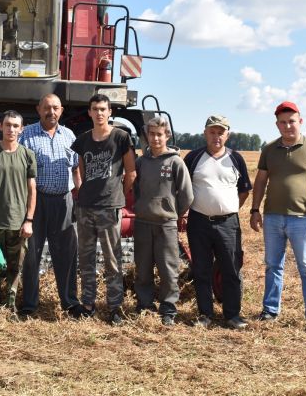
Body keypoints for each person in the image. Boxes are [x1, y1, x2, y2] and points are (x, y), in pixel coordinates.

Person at [250, 101, 306, 336]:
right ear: (277, 125)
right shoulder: (269, 149)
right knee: (273, 266)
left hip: (302, 220)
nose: (288, 126)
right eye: (283, 122)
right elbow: (260, 181)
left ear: (301, 121)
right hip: (273, 218)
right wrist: (254, 210)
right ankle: (270, 311)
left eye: (292, 121)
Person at [70, 94, 135, 325]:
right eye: (95, 109)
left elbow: (131, 172)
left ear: (110, 112)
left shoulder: (121, 137)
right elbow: (79, 170)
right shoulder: (83, 140)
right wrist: (82, 190)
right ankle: (88, 304)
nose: (99, 113)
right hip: (86, 207)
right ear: (89, 112)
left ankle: (114, 307)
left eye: (103, 109)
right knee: (86, 258)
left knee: (112, 259)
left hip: (110, 207)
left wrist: (118, 194)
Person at [184, 115, 252, 330]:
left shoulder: (236, 158)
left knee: (231, 269)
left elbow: (244, 191)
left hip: (228, 224)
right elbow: (183, 189)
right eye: (212, 132)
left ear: (227, 135)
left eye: (220, 132)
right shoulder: (193, 158)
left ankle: (232, 315)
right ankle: (205, 314)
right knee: (201, 269)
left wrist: (227, 209)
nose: (216, 136)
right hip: (198, 222)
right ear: (205, 133)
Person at [18, 94, 81, 316]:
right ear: (38, 109)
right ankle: (29, 305)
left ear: (61, 110)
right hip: (36, 201)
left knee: (66, 254)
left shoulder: (70, 136)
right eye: (46, 108)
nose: (51, 112)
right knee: (31, 255)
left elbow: (75, 168)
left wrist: (79, 198)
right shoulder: (26, 136)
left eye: (55, 108)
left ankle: (70, 302)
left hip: (64, 200)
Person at [133, 116, 193, 326]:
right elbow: (135, 188)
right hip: (142, 222)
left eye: (160, 134)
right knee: (142, 267)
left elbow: (186, 194)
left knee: (168, 269)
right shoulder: (141, 162)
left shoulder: (175, 161)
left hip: (166, 224)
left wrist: (172, 212)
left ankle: (168, 308)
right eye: (152, 134)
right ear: (147, 136)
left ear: (167, 135)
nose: (156, 138)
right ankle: (145, 304)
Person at [0, 110, 37, 318]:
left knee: (15, 268)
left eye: (15, 126)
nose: (11, 129)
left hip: (19, 222)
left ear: (21, 129)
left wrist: (29, 220)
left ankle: (10, 308)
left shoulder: (27, 155)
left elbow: (32, 190)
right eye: (7, 125)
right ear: (0, 127)